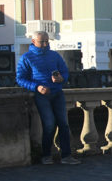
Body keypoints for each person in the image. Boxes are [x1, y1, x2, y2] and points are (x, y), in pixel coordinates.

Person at [16, 31, 80, 165]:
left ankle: (66, 155)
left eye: (47, 41)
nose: (45, 44)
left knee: (63, 124)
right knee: (49, 124)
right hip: (42, 95)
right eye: (42, 42)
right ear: (33, 42)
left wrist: (62, 78)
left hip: (57, 93)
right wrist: (37, 87)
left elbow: (64, 72)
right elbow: (20, 79)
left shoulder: (55, 55)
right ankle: (46, 155)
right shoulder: (26, 58)